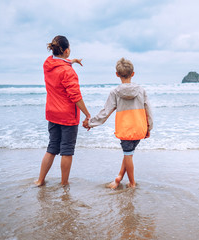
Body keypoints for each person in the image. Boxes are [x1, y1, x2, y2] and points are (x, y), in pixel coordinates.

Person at [83, 58, 153, 189]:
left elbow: (105, 112)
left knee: (128, 155)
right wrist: (149, 127)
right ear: (133, 73)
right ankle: (119, 177)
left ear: (117, 74)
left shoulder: (115, 92)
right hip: (139, 127)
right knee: (129, 154)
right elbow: (148, 109)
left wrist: (90, 123)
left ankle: (132, 183)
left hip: (125, 128)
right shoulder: (141, 90)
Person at [34, 35, 91, 186]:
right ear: (66, 51)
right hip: (67, 117)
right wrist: (87, 114)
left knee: (52, 147)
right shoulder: (68, 72)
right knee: (66, 150)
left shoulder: (47, 64)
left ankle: (40, 180)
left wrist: (73, 61)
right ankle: (64, 183)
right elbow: (76, 97)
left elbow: (58, 62)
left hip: (52, 114)